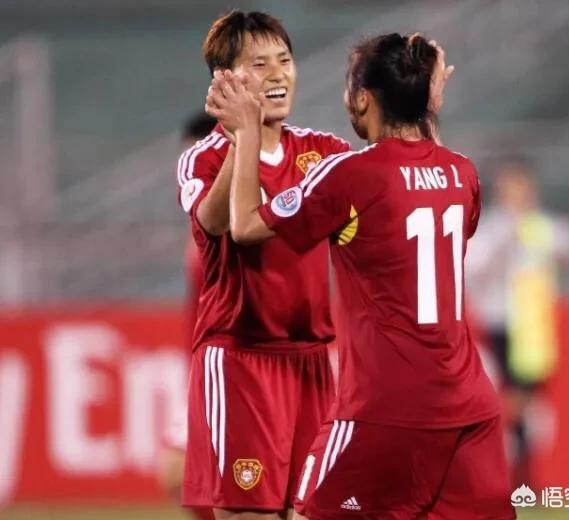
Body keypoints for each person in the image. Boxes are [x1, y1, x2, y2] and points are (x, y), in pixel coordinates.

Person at [208, 32, 514, 519]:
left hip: (384, 408)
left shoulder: (349, 174)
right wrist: (426, 108)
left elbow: (244, 226)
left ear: (364, 98)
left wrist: (245, 133)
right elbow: (425, 173)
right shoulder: (463, 173)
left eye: (349, 86)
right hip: (470, 411)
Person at [177, 11, 352, 519]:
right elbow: (216, 222)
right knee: (249, 513)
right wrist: (243, 137)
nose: (278, 74)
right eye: (260, 64)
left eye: (285, 60)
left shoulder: (325, 152)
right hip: (242, 360)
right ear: (226, 79)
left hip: (314, 362)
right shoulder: (203, 158)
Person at [466, 160, 569, 484]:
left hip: (532, 326)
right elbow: (472, 268)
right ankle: (508, 467)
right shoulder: (490, 228)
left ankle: (523, 469)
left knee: (527, 398)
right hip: (498, 321)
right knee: (509, 396)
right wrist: (506, 239)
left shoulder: (541, 226)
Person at [160, 112, 217, 520]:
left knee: (177, 472)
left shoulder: (227, 215)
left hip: (221, 363)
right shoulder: (197, 215)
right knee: (183, 476)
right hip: (200, 366)